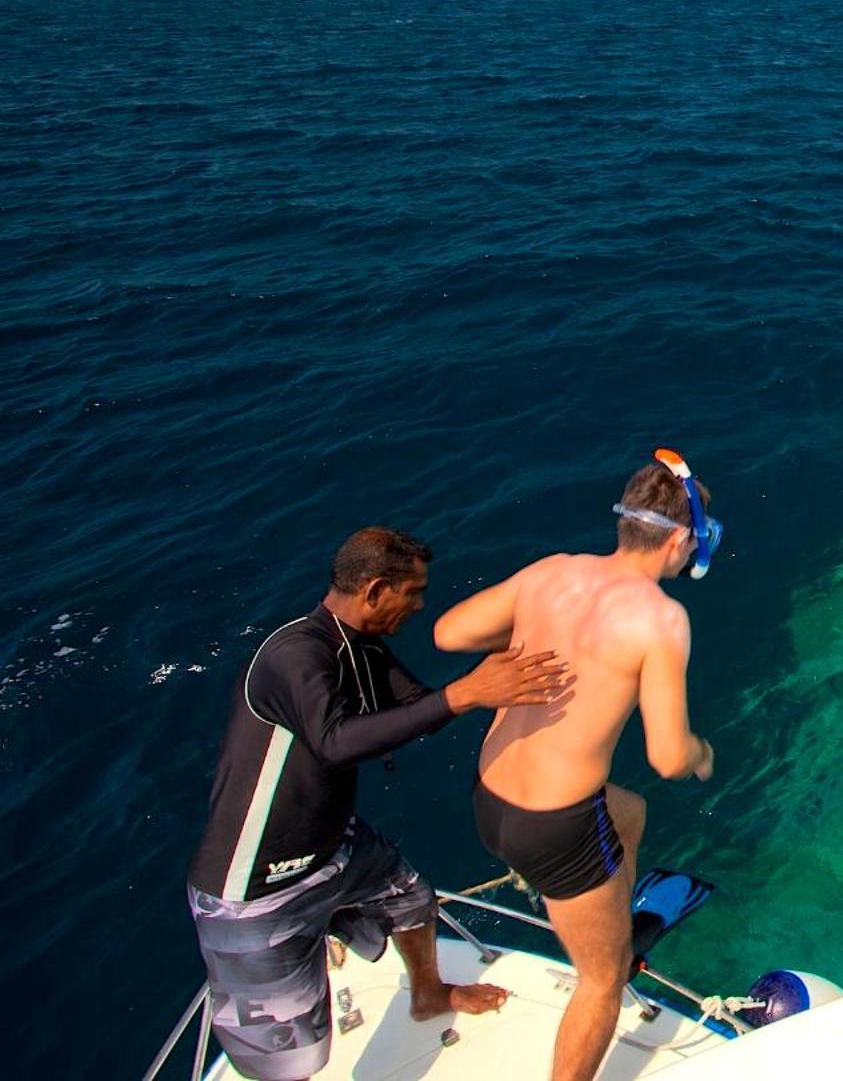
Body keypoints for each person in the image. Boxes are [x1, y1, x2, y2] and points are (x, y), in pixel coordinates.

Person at [187, 528, 572, 1081]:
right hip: (255, 890)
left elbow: (422, 707)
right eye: (411, 593)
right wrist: (465, 692)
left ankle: (429, 993)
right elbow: (337, 741)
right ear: (373, 590)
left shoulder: (360, 649)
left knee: (412, 899)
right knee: (292, 1063)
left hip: (334, 847)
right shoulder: (296, 654)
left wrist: (520, 666)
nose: (418, 606)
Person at [434, 450, 720, 1081]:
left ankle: (616, 906)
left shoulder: (552, 573)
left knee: (630, 812)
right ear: (678, 539)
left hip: (490, 798)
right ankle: (610, 951)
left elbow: (449, 634)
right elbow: (668, 756)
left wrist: (534, 637)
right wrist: (702, 753)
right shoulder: (662, 618)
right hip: (557, 830)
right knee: (602, 982)